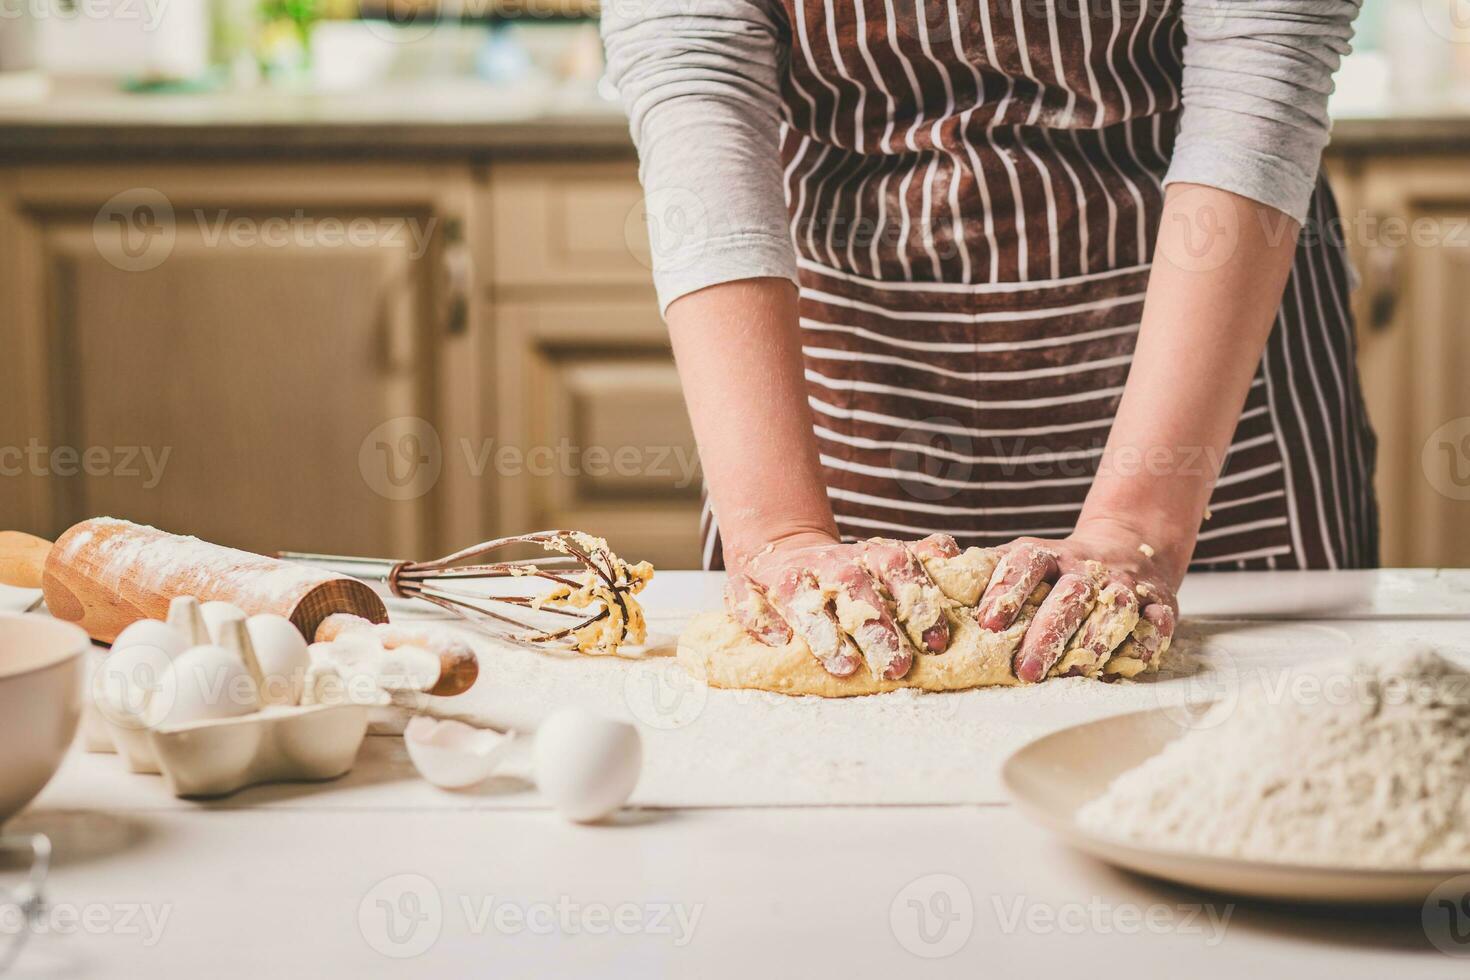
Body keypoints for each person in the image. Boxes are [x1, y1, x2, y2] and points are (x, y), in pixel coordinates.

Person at [602, 0, 1376, 681]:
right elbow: (692, 65)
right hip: (851, 376)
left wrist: (1139, 529)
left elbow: (1265, 47)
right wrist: (779, 532)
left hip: (1205, 372)